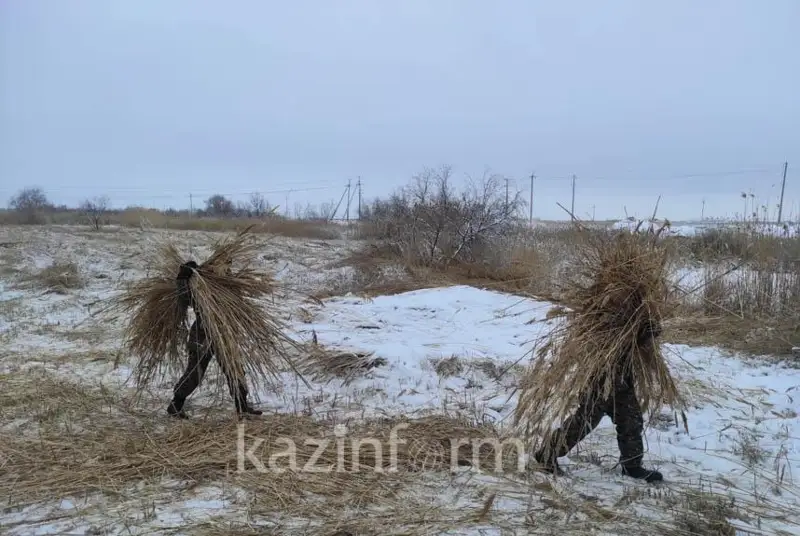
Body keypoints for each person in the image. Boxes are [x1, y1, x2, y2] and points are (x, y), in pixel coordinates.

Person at [532, 317, 664, 483]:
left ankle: (632, 466)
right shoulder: (608, 307)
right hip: (600, 377)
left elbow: (634, 336)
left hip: (623, 377)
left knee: (631, 419)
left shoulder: (637, 304)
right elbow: (614, 334)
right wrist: (638, 333)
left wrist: (648, 330)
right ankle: (547, 454)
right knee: (585, 420)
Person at [166, 259, 263, 419]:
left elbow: (238, 306)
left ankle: (242, 407)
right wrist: (183, 278)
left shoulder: (230, 289)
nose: (226, 273)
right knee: (195, 372)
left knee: (235, 370)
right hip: (202, 335)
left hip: (225, 334)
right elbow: (184, 299)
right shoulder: (200, 287)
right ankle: (175, 405)